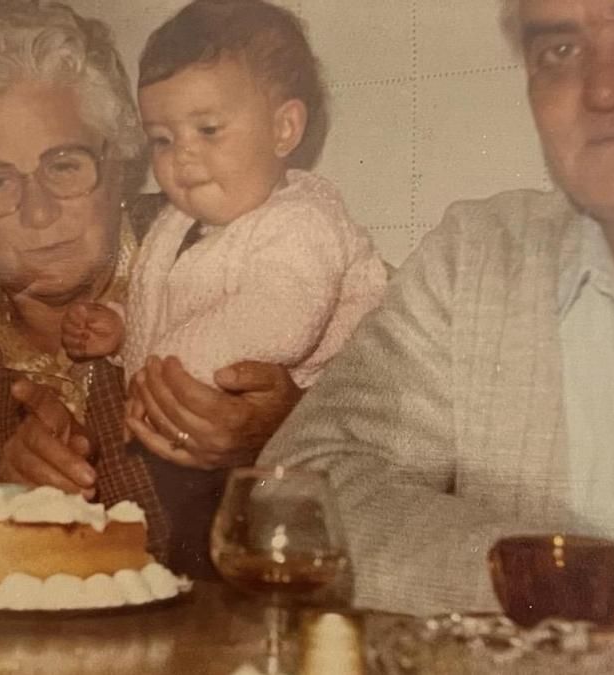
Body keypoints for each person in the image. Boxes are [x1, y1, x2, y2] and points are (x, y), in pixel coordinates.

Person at [261, 0, 614, 653]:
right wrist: (598, 590)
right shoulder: (480, 258)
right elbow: (300, 495)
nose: (605, 88)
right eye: (559, 51)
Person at [0, 0, 299, 559]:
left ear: (119, 167)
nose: (39, 213)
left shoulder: (230, 244)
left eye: (64, 165)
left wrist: (286, 429)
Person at [59, 0, 386, 576]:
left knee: (245, 565)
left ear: (284, 128)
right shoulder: (178, 227)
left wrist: (160, 367)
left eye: (208, 130)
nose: (183, 155)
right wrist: (119, 327)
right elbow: (165, 304)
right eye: (162, 139)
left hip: (308, 454)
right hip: (198, 435)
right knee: (181, 560)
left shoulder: (303, 221)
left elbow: (277, 321)